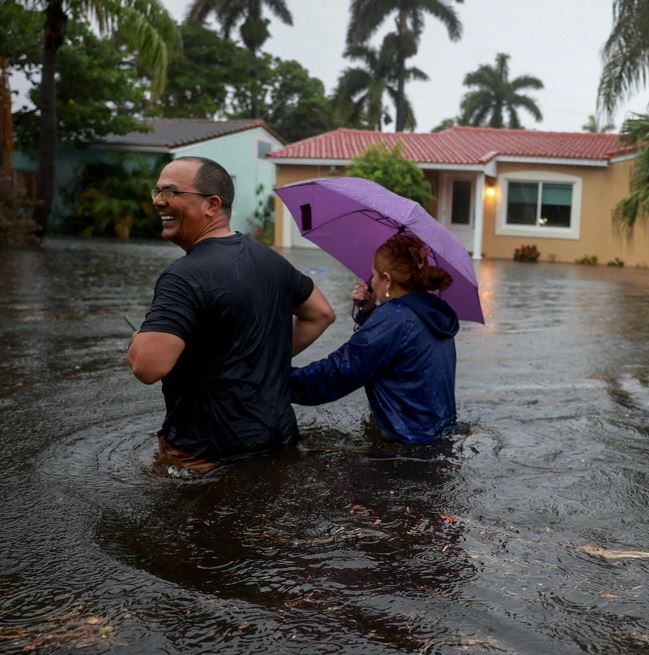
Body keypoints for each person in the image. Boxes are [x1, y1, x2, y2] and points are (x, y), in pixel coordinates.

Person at [126, 156, 336, 471]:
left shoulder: (183, 276)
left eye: (171, 192)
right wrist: (260, 356)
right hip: (277, 440)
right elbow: (321, 314)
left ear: (212, 204)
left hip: (204, 453)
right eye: (156, 191)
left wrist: (137, 342)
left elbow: (147, 367)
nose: (158, 201)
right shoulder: (271, 260)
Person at [289, 233, 459, 443]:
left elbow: (339, 373)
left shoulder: (394, 319)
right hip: (440, 437)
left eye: (374, 276)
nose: (372, 282)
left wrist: (277, 380)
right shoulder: (430, 312)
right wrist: (369, 311)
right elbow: (394, 354)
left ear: (387, 280)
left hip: (407, 444)